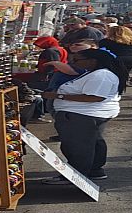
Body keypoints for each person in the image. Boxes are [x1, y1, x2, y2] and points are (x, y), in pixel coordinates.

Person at [40, 49, 125, 182]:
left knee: (77, 146)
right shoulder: (95, 73)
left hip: (83, 114)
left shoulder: (101, 75)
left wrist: (58, 96)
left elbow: (94, 97)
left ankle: (76, 174)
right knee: (91, 142)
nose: (73, 63)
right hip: (85, 113)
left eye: (77, 60)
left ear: (92, 61)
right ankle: (93, 170)